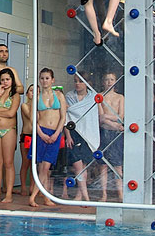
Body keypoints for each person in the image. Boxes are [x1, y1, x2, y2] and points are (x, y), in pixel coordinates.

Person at [0, 44, 24, 192]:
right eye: (1, 51)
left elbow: (20, 89)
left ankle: (6, 190)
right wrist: (10, 87)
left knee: (7, 160)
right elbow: (4, 89)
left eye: (6, 51)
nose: (4, 54)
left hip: (9, 124)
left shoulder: (12, 71)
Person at [29, 68, 67, 208]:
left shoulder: (59, 95)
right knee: (42, 168)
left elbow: (63, 117)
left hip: (55, 133)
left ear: (53, 80)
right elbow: (33, 119)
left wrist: (57, 133)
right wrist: (41, 134)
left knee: (46, 167)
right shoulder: (37, 97)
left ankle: (40, 197)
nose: (44, 81)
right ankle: (41, 197)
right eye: (42, 78)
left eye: (47, 78)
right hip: (42, 133)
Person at [64, 74, 101, 201]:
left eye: (80, 81)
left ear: (87, 83)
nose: (77, 84)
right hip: (74, 133)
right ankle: (86, 197)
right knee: (77, 166)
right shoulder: (69, 96)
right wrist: (68, 136)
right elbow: (67, 116)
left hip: (87, 133)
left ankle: (80, 195)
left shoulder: (92, 97)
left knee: (83, 167)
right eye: (75, 81)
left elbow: (95, 115)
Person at [0, 68, 20, 204]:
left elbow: (11, 113)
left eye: (7, 79)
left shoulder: (15, 95)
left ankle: (8, 194)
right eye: (2, 80)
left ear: (12, 81)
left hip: (8, 130)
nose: (5, 82)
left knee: (8, 163)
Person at [99, 71, 124, 202]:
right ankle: (104, 193)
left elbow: (121, 116)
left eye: (112, 79)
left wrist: (108, 119)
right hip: (104, 132)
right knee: (103, 165)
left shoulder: (120, 97)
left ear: (115, 82)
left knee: (117, 165)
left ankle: (120, 193)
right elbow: (100, 118)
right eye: (107, 79)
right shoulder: (100, 97)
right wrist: (114, 124)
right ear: (103, 82)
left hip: (116, 134)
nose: (109, 82)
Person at [19, 84, 34, 196]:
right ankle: (23, 186)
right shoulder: (24, 105)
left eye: (36, 91)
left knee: (35, 164)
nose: (33, 93)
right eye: (31, 91)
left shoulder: (40, 106)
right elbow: (30, 116)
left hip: (37, 136)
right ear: (27, 93)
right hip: (26, 136)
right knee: (26, 163)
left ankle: (33, 186)